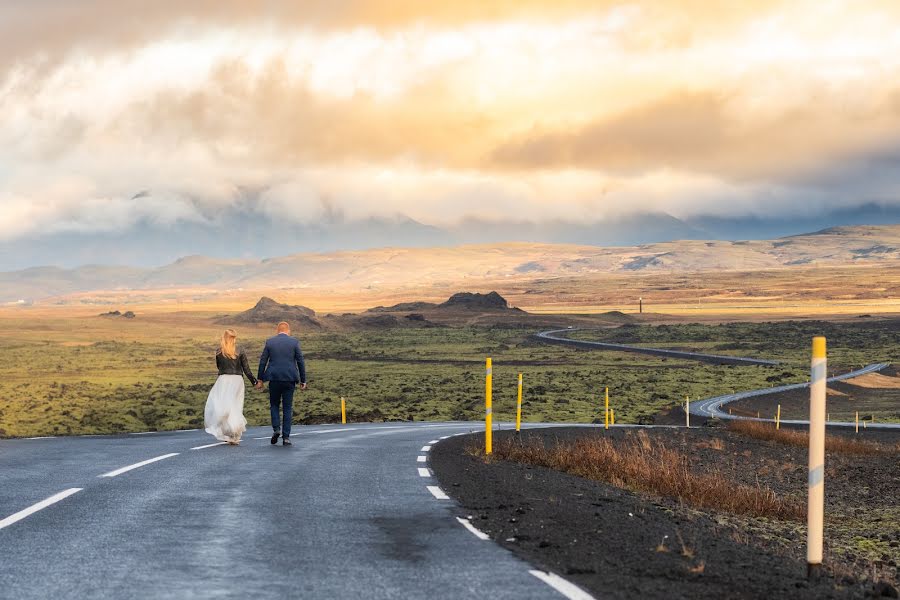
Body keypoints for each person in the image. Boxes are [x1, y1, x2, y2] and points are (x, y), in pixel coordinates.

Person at [257, 321, 308, 446]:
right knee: (287, 408)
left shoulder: (270, 342)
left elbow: (263, 361)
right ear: (288, 331)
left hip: (274, 379)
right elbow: (300, 361)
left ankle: (276, 429)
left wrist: (260, 379)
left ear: (277, 330)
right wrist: (303, 380)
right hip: (289, 379)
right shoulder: (294, 342)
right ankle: (286, 437)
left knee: (274, 405)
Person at [204, 329, 257, 445]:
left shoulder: (219, 351)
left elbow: (219, 367)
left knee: (223, 406)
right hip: (237, 380)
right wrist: (254, 382)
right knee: (235, 407)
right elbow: (246, 369)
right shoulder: (240, 350)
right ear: (234, 338)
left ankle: (227, 432)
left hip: (223, 380)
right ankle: (235, 435)